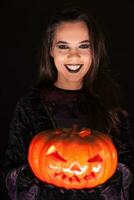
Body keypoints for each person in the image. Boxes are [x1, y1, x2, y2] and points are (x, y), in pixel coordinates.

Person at [2, 6, 134, 200]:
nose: (74, 56)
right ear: (51, 51)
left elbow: (127, 169)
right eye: (63, 46)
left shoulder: (111, 104)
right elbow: (12, 173)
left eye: (84, 46)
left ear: (95, 51)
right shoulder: (30, 104)